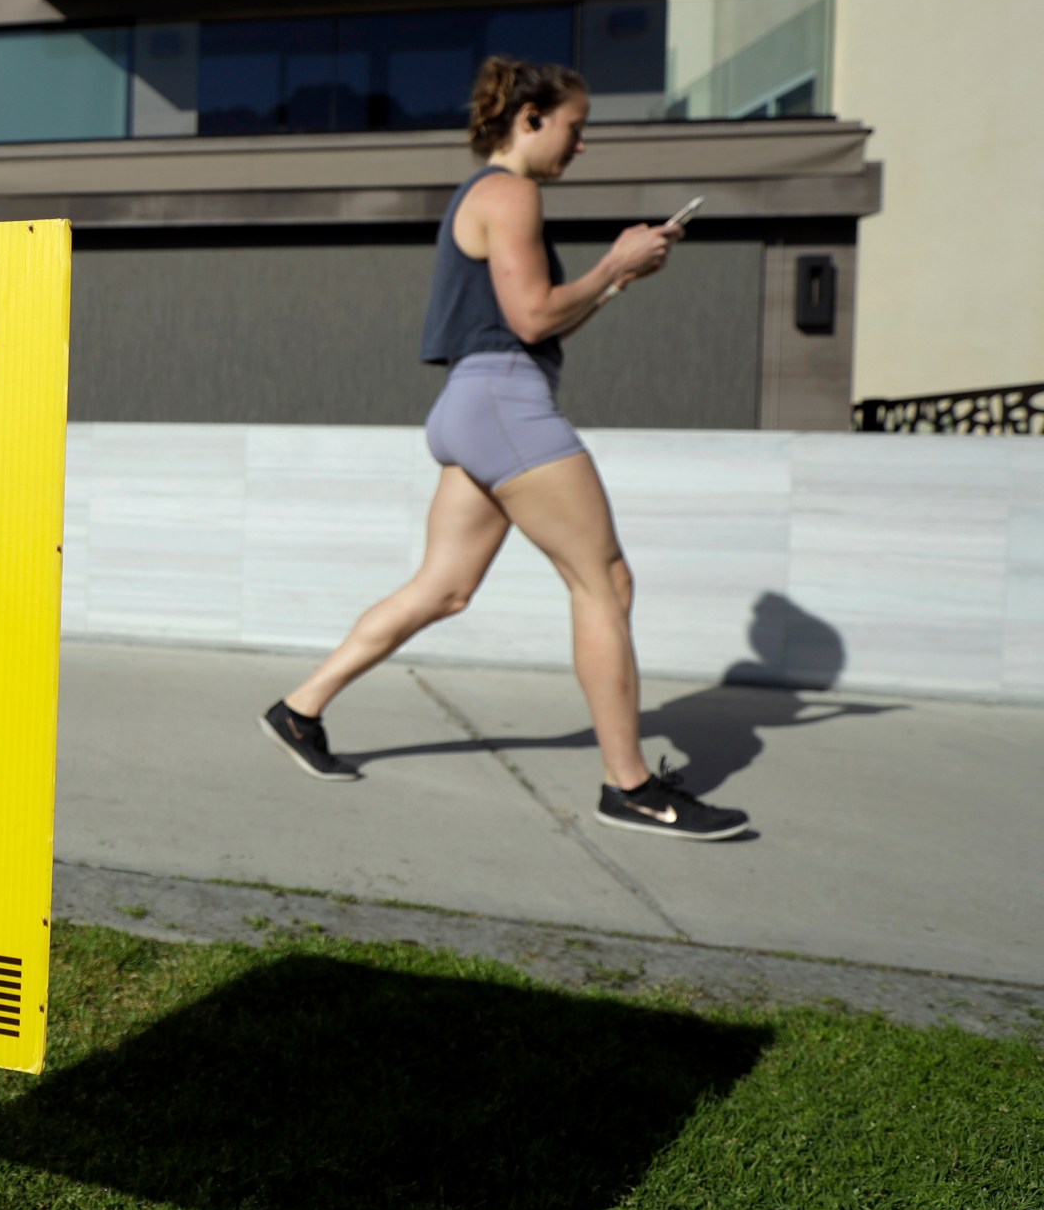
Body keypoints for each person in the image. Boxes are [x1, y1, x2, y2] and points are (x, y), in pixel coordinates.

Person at [256, 56, 750, 842]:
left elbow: (544, 319)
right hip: (503, 400)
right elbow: (530, 319)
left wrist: (618, 281)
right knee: (605, 583)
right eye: (574, 128)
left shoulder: (482, 197)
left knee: (444, 590)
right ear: (530, 119)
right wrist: (614, 262)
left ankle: (299, 708)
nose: (580, 146)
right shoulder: (511, 192)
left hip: (471, 403)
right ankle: (629, 788)